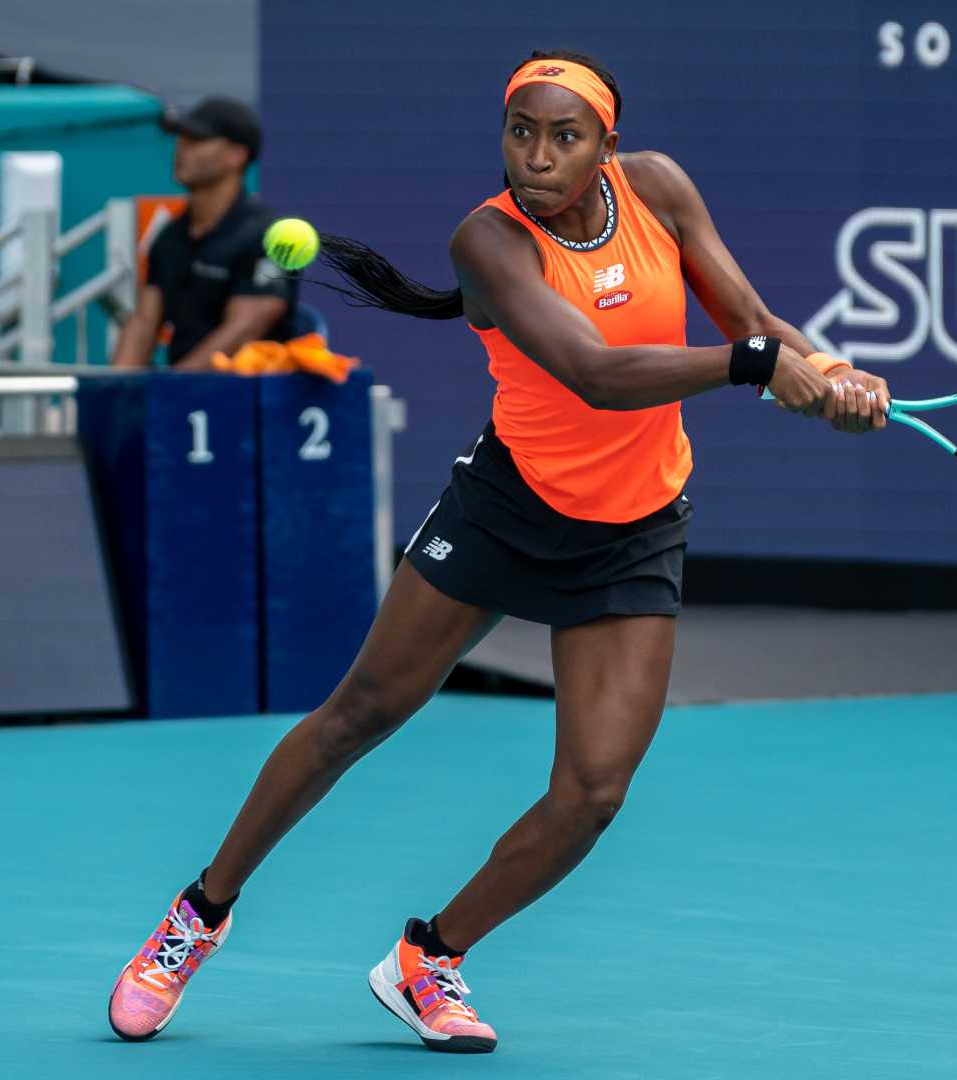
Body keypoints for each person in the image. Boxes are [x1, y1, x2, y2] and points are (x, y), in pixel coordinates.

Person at [107, 50, 890, 1053]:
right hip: (507, 510)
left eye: (566, 137)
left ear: (609, 145)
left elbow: (756, 320)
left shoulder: (660, 191)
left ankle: (430, 957)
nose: (538, 156)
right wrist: (755, 368)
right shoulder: (488, 239)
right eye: (521, 132)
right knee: (359, 714)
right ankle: (198, 915)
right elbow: (596, 374)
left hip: (636, 527)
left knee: (595, 794)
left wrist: (827, 372)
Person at [111, 96, 296, 371]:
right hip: (184, 397)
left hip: (250, 402)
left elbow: (245, 329)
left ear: (237, 155)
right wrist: (115, 390)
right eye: (181, 138)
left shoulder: (271, 236)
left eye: (197, 139)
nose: (182, 148)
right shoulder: (169, 237)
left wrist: (174, 389)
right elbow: (144, 323)